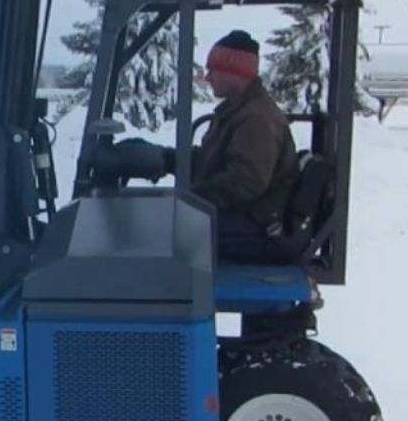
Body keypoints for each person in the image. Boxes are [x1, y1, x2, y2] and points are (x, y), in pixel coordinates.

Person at [93, 29, 299, 262]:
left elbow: (246, 182)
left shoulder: (256, 119)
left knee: (149, 227)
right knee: (151, 216)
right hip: (241, 215)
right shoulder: (239, 111)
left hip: (252, 224)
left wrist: (189, 200)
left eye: (214, 70)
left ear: (235, 72)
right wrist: (167, 158)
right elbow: (215, 161)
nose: (208, 77)